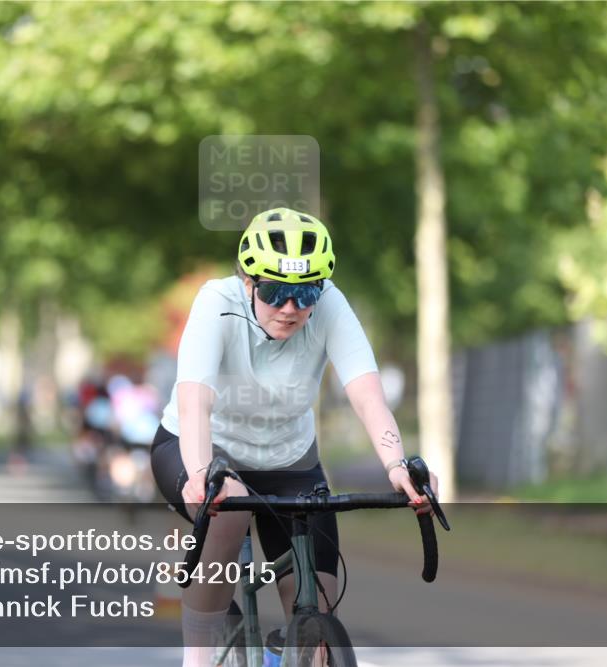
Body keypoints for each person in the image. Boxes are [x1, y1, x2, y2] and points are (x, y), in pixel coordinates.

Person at [150, 207, 437, 666]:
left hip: (289, 462)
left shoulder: (330, 306)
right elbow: (194, 402)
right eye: (276, 290)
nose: (290, 307)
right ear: (249, 282)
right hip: (201, 447)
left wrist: (397, 466)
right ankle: (198, 658)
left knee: (316, 613)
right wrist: (203, 473)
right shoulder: (215, 302)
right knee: (228, 511)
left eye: (304, 294)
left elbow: (366, 394)